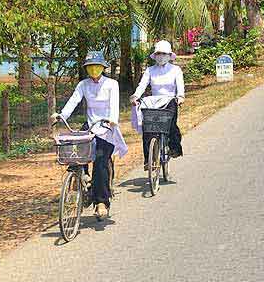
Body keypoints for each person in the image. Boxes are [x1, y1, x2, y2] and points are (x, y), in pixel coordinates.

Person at [53, 51, 128, 219]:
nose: (94, 70)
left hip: (107, 127)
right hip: (90, 126)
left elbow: (114, 105)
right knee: (77, 153)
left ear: (103, 67)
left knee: (101, 162)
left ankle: (101, 202)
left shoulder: (111, 84)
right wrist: (61, 116)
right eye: (90, 67)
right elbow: (74, 101)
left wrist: (113, 120)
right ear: (87, 69)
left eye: (97, 66)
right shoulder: (83, 85)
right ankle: (82, 179)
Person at [130, 40, 185, 170]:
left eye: (164, 53)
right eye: (158, 53)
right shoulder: (150, 70)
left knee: (171, 126)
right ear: (155, 55)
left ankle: (174, 148)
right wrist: (136, 96)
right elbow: (142, 85)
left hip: (170, 101)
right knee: (148, 129)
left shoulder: (175, 70)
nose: (161, 56)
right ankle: (148, 160)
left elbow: (180, 85)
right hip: (153, 103)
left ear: (169, 55)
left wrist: (181, 96)